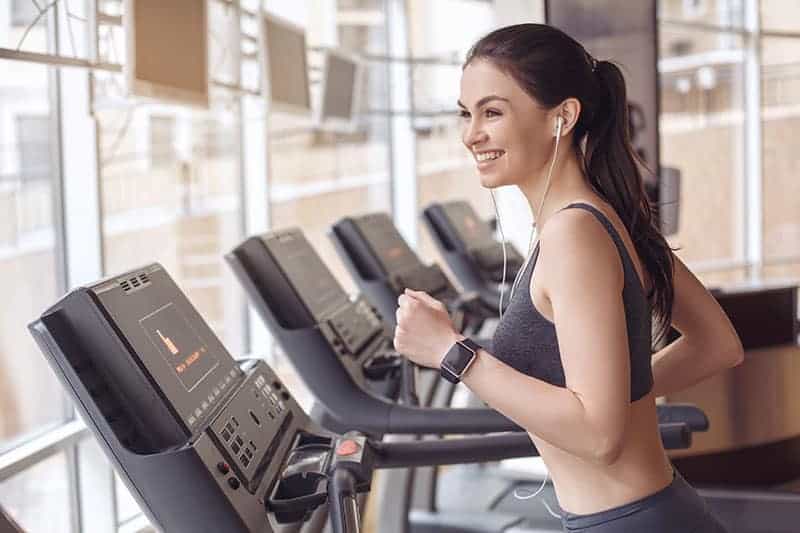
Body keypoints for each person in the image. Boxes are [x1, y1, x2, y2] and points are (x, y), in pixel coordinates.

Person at [393, 23, 743, 533]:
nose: (471, 134)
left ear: (563, 116)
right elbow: (718, 344)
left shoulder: (574, 236)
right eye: (466, 115)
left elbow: (601, 437)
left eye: (492, 112)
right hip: (642, 513)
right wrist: (621, 393)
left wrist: (452, 354)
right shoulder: (600, 216)